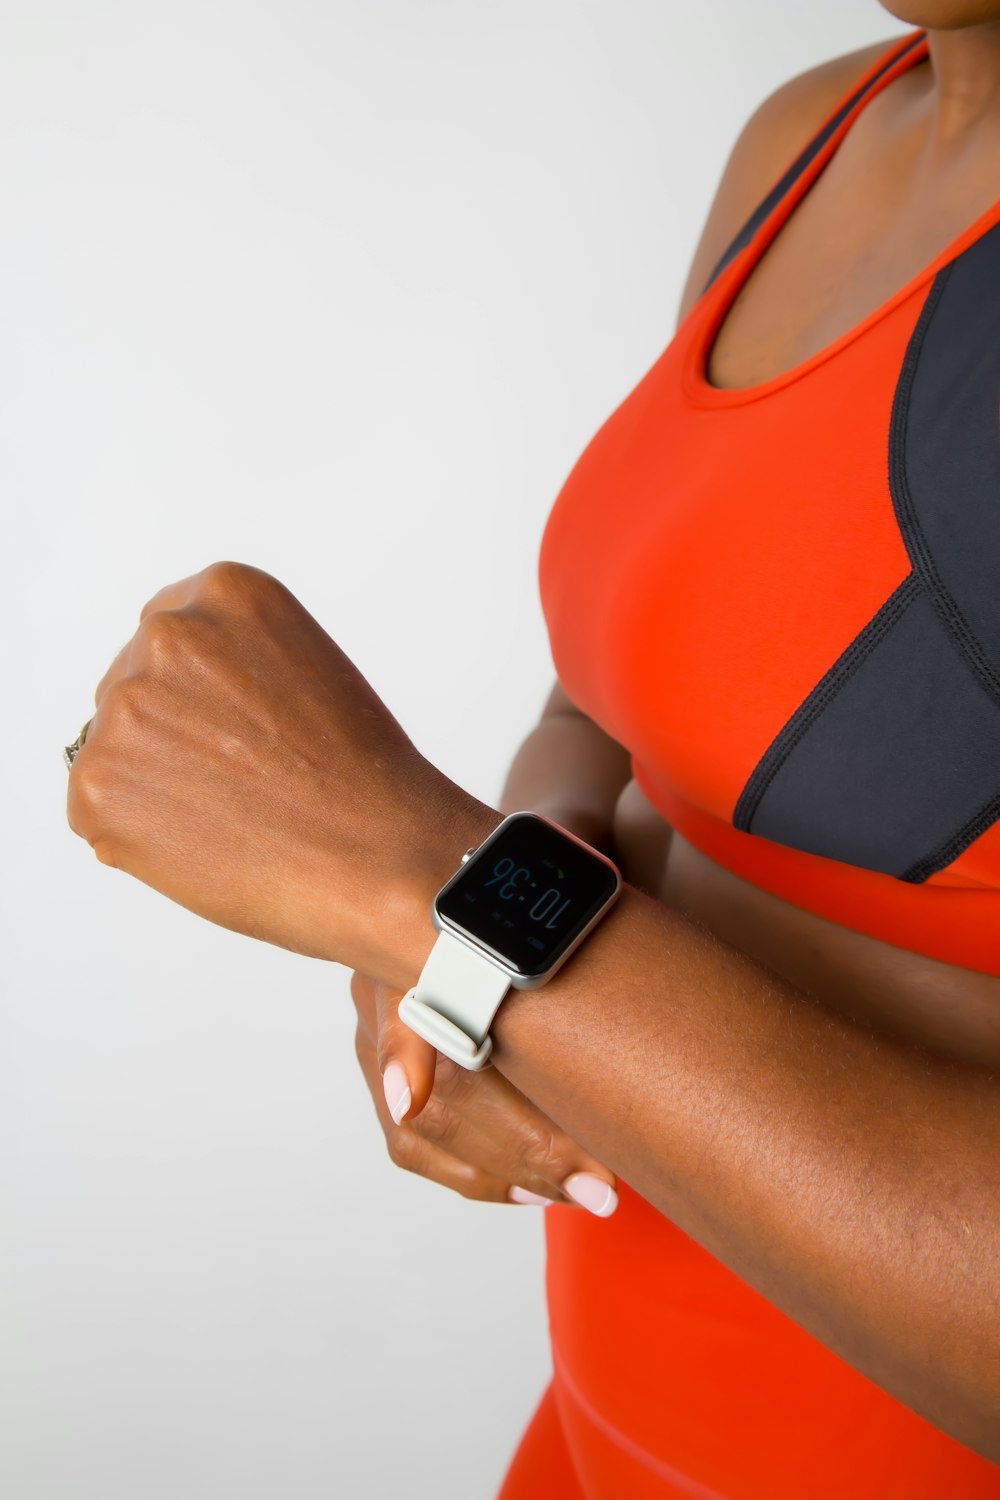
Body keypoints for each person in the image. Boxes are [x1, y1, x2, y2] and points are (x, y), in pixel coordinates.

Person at [66, 4, 1000, 1496]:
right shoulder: (811, 135)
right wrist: (481, 933)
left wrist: (408, 872)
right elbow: (619, 716)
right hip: (591, 1442)